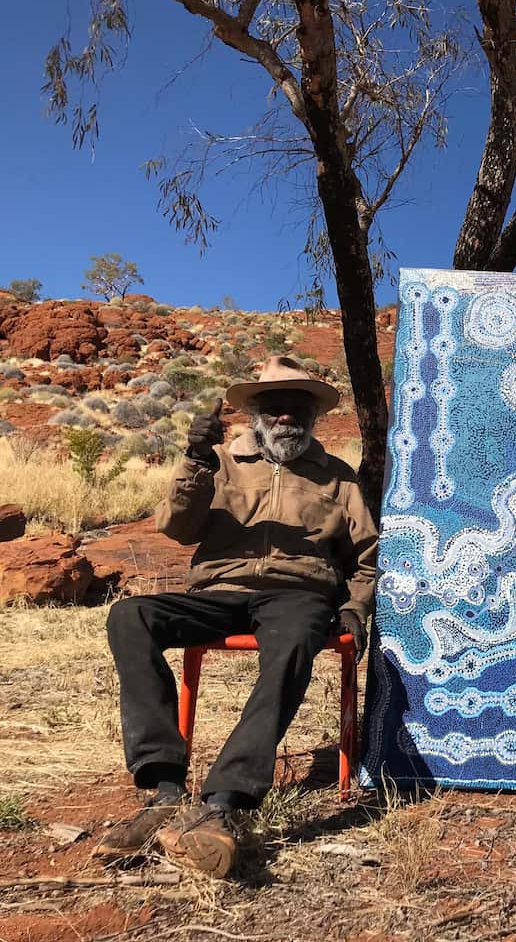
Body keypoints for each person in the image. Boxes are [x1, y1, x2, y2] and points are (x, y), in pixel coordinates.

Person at [94, 355, 378, 876]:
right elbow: (178, 529)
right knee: (129, 617)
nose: (286, 416)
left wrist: (354, 609)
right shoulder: (220, 460)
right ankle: (165, 788)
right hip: (218, 592)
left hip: (298, 595)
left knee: (295, 641)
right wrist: (195, 462)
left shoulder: (336, 476)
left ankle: (223, 802)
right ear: (256, 414)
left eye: (298, 406)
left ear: (313, 415)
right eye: (275, 406)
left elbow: (365, 559)